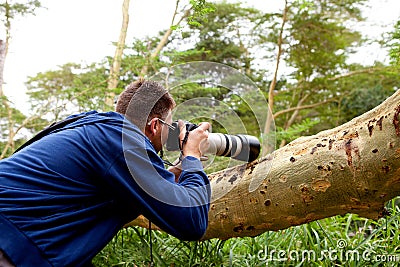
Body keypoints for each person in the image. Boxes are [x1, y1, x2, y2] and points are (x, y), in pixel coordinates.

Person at [0, 78, 211, 267]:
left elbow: (149, 190)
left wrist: (178, 170)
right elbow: (192, 220)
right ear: (154, 125)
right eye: (169, 125)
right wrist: (191, 155)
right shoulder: (122, 138)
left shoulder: (97, 130)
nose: (169, 134)